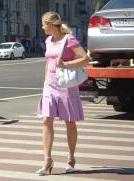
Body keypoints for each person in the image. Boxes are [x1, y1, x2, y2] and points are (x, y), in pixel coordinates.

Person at [36, 11, 88, 175]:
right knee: (46, 119)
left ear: (50, 25)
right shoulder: (48, 40)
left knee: (69, 121)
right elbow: (48, 61)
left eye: (43, 24)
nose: (42, 27)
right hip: (50, 84)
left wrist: (65, 64)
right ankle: (47, 160)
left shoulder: (69, 39)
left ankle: (71, 158)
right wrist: (45, 80)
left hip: (66, 85)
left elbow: (84, 58)